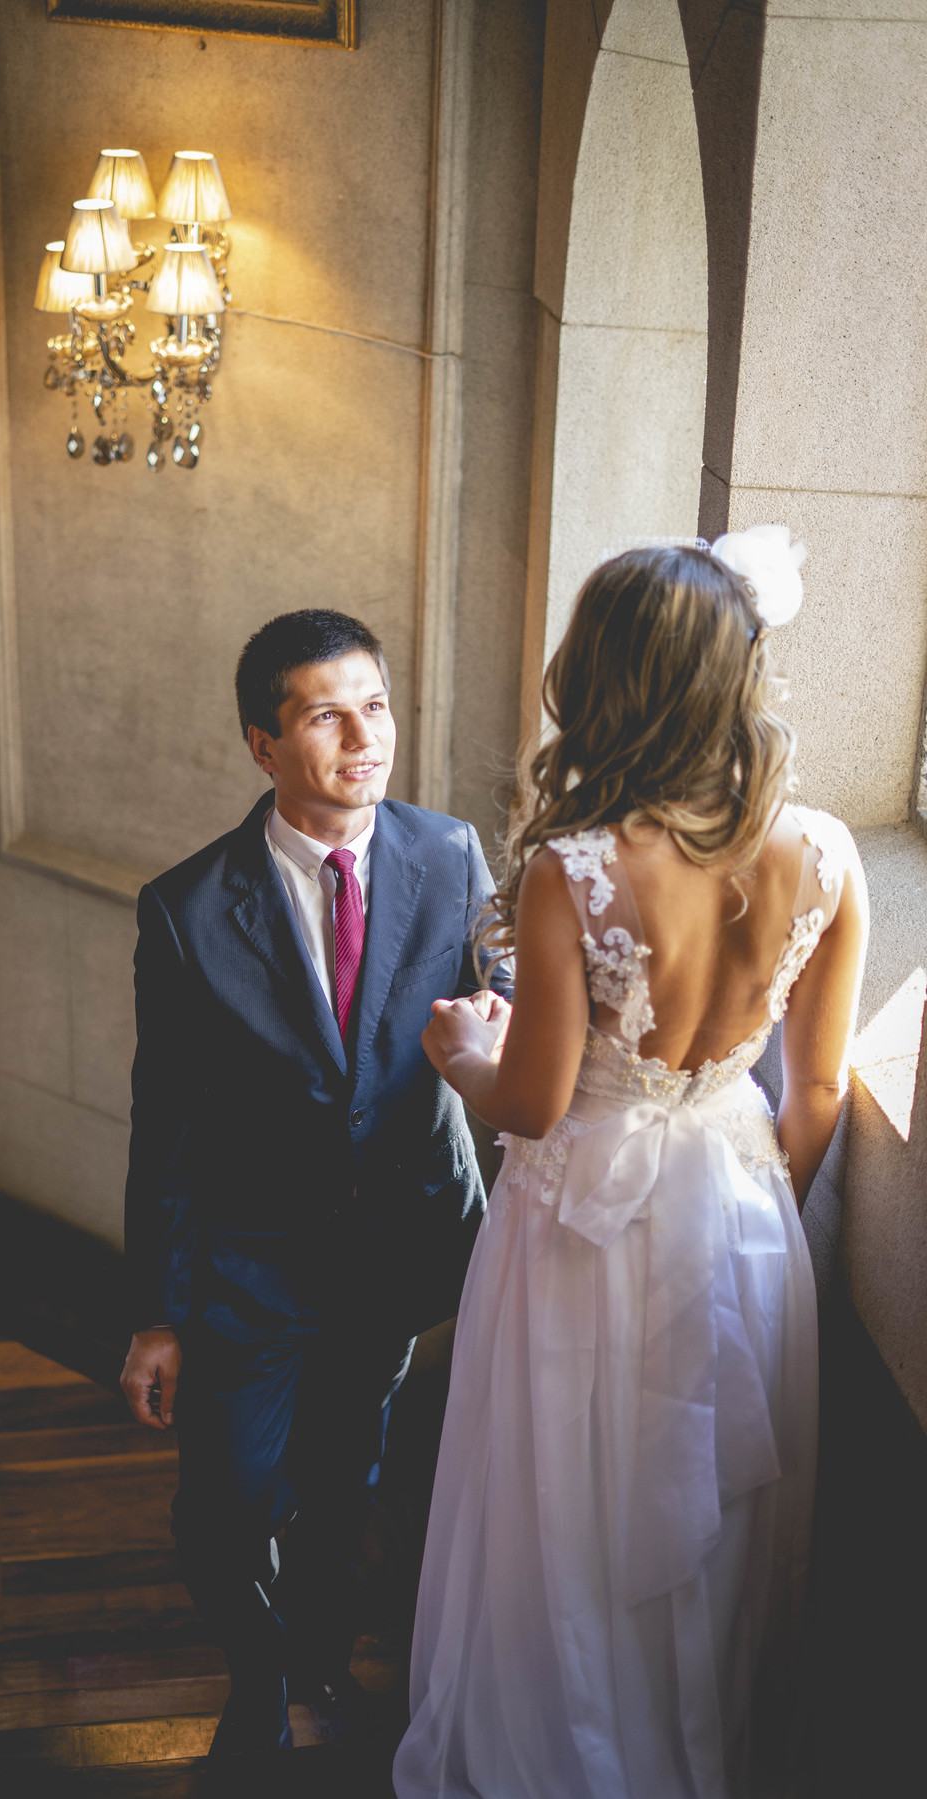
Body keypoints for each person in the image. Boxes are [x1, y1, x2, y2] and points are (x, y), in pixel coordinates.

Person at [393, 530, 869, 1799]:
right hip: (741, 1208)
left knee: (577, 1513)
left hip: (581, 1234)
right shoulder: (825, 852)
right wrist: (779, 1225)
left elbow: (538, 1104)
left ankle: (583, 1754)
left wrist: (460, 1051)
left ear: (605, 678)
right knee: (715, 1519)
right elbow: (816, 1090)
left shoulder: (579, 869)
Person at [119, 608, 511, 1756]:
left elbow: (509, 1014)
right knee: (224, 1504)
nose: (363, 736)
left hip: (394, 1253)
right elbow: (168, 1123)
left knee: (347, 1485)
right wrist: (154, 1307)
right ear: (262, 742)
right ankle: (254, 1662)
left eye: (375, 705)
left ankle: (317, 1667)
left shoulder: (451, 854)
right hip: (251, 1265)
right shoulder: (186, 910)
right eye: (326, 714)